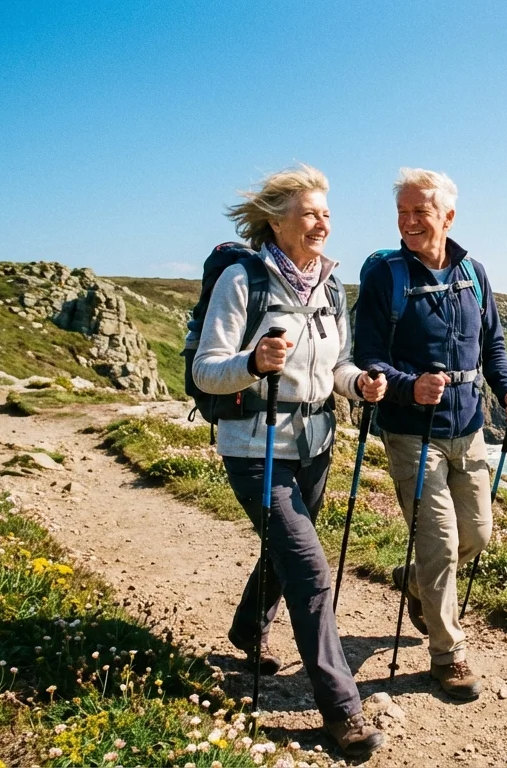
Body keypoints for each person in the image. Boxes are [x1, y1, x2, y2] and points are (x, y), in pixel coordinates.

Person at [192, 164, 386, 757]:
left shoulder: (331, 287)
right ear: (277, 222)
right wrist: (253, 363)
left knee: (286, 551)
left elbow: (337, 367)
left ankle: (248, 627)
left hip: (317, 446)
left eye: (327, 212)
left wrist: (362, 385)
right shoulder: (242, 281)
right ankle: (342, 711)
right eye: (310, 212)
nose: (323, 221)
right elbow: (206, 369)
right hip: (256, 448)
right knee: (308, 571)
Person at [353, 167, 507, 700]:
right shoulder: (387, 276)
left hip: (469, 426)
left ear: (447, 217)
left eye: (419, 212)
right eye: (402, 212)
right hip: (412, 433)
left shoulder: (473, 272)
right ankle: (447, 654)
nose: (408, 221)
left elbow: (492, 345)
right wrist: (409, 387)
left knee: (476, 536)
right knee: (441, 543)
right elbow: (368, 356)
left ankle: (414, 581)